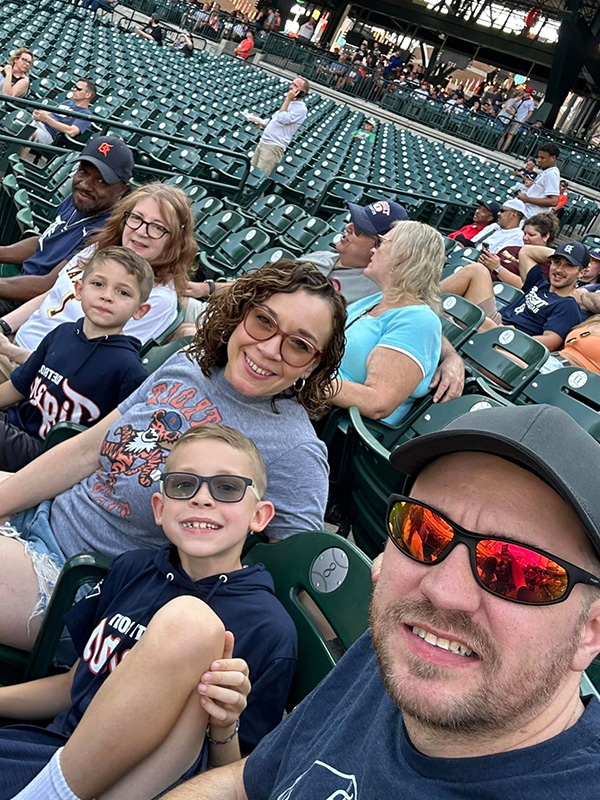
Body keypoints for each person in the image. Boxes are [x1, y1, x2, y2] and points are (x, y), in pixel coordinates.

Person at [162, 403, 600, 800]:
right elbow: (247, 783)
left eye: (516, 570)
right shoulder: (401, 651)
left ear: (591, 630)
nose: (443, 592)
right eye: (422, 532)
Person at [0, 261, 346, 652]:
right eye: (264, 321)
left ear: (314, 364)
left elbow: (302, 591)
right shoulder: (189, 364)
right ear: (240, 312)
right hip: (42, 517)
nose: (269, 349)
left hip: (80, 586)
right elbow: (85, 451)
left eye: (299, 344)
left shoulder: (295, 449)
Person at [0, 423, 297, 799]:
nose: (202, 499)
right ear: (160, 507)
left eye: (227, 488)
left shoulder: (267, 628)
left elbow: (238, 778)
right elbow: (71, 686)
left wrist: (225, 727)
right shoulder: (133, 569)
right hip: (52, 748)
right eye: (182, 485)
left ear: (260, 516)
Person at [0, 182, 195, 383]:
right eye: (136, 218)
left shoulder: (157, 298)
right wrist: (4, 326)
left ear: (175, 240)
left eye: (157, 227)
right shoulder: (97, 251)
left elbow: (90, 366)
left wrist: (12, 352)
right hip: (14, 343)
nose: (141, 231)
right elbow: (52, 295)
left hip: (37, 375)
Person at [0, 246, 152, 471]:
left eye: (123, 292)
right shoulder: (61, 333)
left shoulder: (129, 369)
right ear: (79, 289)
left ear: (140, 310)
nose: (106, 296)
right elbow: (18, 386)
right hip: (16, 424)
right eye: (98, 284)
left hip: (45, 456)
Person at [0, 136, 133, 315]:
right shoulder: (79, 200)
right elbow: (46, 241)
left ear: (122, 189)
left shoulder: (104, 234)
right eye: (83, 172)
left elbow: (47, 286)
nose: (85, 185)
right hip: (19, 285)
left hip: (30, 308)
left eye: (101, 181)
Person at [329, 220, 443, 425]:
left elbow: (377, 402)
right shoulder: (377, 300)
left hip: (336, 424)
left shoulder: (418, 321)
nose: (373, 250)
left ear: (403, 256)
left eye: (381, 243)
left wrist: (303, 379)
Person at [442, 240, 586, 351]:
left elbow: (550, 342)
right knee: (477, 270)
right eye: (557, 262)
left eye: (569, 265)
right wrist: (562, 253)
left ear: (582, 272)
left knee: (458, 311)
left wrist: (514, 338)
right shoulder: (540, 283)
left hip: (505, 341)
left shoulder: (568, 306)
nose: (559, 269)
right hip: (495, 322)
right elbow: (526, 252)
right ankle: (424, 299)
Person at [476, 212, 558, 287]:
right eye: (525, 233)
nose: (525, 238)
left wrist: (497, 268)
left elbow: (528, 287)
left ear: (546, 236)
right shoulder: (511, 249)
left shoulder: (548, 265)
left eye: (531, 235)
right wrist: (485, 262)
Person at [249, 77, 308, 176]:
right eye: (292, 84)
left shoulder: (301, 109)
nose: (291, 87)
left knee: (258, 178)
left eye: (295, 86)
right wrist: (259, 122)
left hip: (273, 147)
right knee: (250, 173)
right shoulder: (289, 104)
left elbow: (283, 119)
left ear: (301, 92)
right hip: (263, 142)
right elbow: (275, 120)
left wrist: (287, 100)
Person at [30, 78, 95, 145]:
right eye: (74, 87)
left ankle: (21, 155)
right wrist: (39, 114)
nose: (74, 90)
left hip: (49, 134)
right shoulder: (67, 102)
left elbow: (72, 131)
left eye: (78, 89)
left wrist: (46, 119)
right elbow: (50, 113)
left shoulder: (86, 114)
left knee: (27, 133)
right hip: (38, 124)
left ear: (88, 95)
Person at [517, 143, 561, 217]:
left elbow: (554, 201)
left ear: (553, 158)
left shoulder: (552, 174)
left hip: (532, 216)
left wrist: (528, 199)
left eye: (543, 158)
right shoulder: (547, 172)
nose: (539, 160)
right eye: (538, 157)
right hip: (527, 213)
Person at [498, 86, 535, 151]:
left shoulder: (530, 102)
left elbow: (530, 112)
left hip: (519, 119)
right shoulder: (519, 98)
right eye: (525, 91)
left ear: (529, 94)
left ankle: (503, 149)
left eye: (527, 92)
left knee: (510, 135)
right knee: (504, 133)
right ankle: (498, 148)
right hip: (510, 117)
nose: (525, 93)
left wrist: (523, 121)